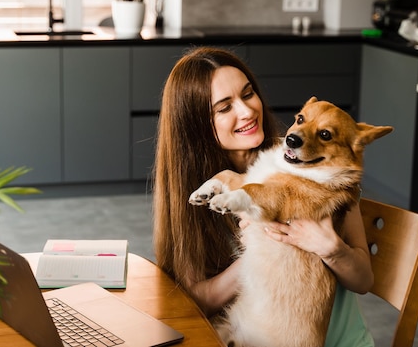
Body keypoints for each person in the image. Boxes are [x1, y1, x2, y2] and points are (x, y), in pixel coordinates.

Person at [152, 46, 375, 347]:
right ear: (196, 126)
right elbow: (197, 300)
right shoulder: (199, 191)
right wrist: (264, 250)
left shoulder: (319, 169)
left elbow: (363, 281)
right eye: (224, 107)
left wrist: (332, 249)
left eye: (247, 94)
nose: (246, 111)